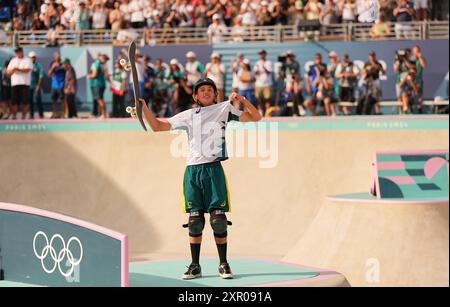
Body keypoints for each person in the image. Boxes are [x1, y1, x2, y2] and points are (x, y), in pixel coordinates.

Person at [139, 77, 262, 280]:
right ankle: (195, 266)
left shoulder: (225, 109)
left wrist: (241, 99)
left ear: (215, 95)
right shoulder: (188, 115)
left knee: (218, 220)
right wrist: (144, 108)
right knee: (195, 222)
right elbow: (157, 127)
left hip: (214, 171)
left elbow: (255, 117)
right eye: (202, 90)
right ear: (195, 96)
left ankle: (223, 264)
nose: (206, 92)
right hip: (193, 172)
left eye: (209, 89)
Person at [6, 47, 33, 120]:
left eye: (19, 51)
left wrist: (17, 69)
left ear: (22, 52)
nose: (18, 53)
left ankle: (24, 117)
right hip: (15, 83)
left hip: (25, 83)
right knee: (14, 101)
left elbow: (28, 70)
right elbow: (8, 72)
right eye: (16, 52)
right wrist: (13, 71)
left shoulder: (28, 60)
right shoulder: (13, 61)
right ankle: (14, 116)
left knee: (25, 102)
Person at [88, 53, 108, 118]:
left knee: (99, 99)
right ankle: (103, 114)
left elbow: (95, 74)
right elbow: (106, 75)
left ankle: (103, 114)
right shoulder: (103, 65)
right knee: (101, 99)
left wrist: (89, 76)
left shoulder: (97, 63)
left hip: (96, 84)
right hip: (102, 84)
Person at [253, 49, 273, 115]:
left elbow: (269, 72)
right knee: (259, 99)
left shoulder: (268, 62)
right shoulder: (257, 63)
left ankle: (267, 113)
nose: (261, 55)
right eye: (260, 54)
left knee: (267, 99)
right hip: (259, 84)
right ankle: (260, 112)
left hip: (267, 84)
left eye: (262, 54)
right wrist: (258, 70)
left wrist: (264, 67)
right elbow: (255, 72)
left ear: (265, 54)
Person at [48, 52, 65, 118]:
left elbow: (67, 73)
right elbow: (49, 74)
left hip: (62, 85)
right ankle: (55, 113)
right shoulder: (52, 63)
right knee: (54, 100)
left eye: (58, 56)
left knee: (63, 100)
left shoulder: (63, 63)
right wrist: (53, 67)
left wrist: (63, 67)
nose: (57, 58)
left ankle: (63, 114)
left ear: (60, 57)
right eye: (55, 56)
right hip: (54, 85)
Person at [28, 51, 44, 119]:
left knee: (38, 100)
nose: (32, 59)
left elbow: (41, 76)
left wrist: (38, 85)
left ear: (36, 58)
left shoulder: (39, 65)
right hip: (29, 86)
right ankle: (31, 115)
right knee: (30, 101)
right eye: (31, 57)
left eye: (34, 57)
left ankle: (41, 115)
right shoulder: (27, 65)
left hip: (36, 86)